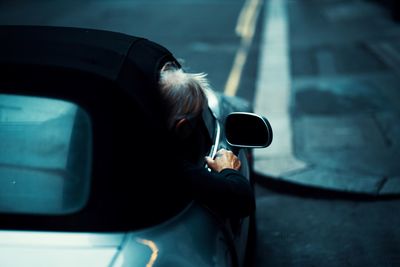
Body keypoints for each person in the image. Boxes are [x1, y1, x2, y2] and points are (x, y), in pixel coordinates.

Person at [158, 61, 255, 219]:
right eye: (199, 120)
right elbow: (243, 200)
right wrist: (228, 170)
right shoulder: (175, 171)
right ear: (182, 127)